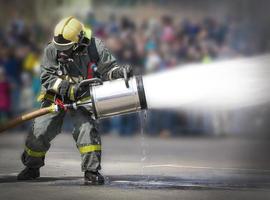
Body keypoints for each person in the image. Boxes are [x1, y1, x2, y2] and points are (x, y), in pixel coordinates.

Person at [17, 16, 132, 185]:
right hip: (55, 96)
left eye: (66, 48)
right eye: (59, 48)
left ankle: (91, 171)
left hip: (82, 97)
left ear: (78, 41)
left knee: (86, 130)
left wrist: (118, 72)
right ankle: (32, 167)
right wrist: (67, 88)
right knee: (41, 130)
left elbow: (108, 70)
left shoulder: (95, 47)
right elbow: (47, 77)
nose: (61, 52)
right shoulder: (51, 50)